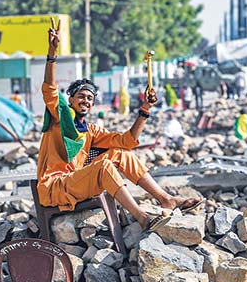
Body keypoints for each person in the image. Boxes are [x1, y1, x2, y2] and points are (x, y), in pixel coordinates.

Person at [38, 18, 203, 233]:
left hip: (75, 181)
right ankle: (142, 217)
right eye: (81, 96)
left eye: (90, 98)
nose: (86, 101)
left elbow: (127, 141)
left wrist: (145, 109)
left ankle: (166, 199)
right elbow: (50, 89)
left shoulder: (91, 131)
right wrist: (52, 53)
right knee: (104, 166)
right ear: (70, 100)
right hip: (55, 187)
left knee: (121, 153)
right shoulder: (60, 117)